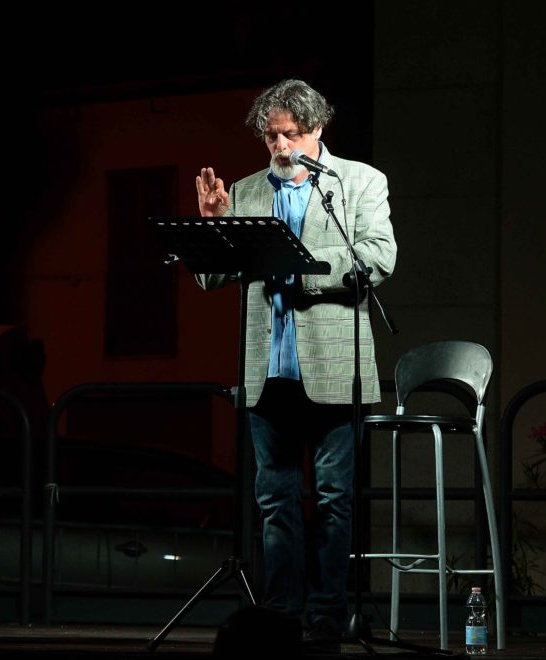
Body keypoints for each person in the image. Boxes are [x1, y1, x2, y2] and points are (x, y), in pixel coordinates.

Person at [195, 79, 397, 645]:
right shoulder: (246, 191)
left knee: (334, 499)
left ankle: (327, 619)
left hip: (334, 368)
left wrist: (301, 265)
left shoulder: (359, 181)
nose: (280, 146)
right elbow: (211, 278)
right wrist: (213, 223)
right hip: (268, 372)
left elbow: (379, 256)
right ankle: (281, 620)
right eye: (271, 136)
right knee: (275, 502)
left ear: (317, 129)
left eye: (291, 134)